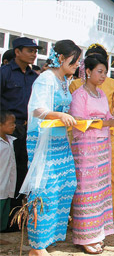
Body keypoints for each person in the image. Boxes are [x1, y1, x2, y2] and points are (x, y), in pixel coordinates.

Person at [22, 40, 81, 255]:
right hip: (43, 142)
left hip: (60, 141)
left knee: (65, 185)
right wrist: (59, 115)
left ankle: (49, 238)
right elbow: (37, 109)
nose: (77, 65)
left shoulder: (64, 80)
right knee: (44, 191)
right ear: (62, 58)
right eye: (75, 60)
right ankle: (37, 246)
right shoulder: (46, 79)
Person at [69, 54, 114, 254]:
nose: (103, 76)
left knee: (100, 191)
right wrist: (108, 123)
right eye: (100, 72)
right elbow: (78, 122)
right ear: (88, 71)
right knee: (86, 191)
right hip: (85, 149)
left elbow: (108, 115)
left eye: (105, 72)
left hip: (102, 146)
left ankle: (96, 233)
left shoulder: (101, 94)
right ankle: (84, 236)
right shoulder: (79, 95)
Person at [0, 37, 41, 232]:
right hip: (9, 129)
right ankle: (5, 220)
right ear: (17, 52)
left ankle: (16, 218)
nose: (34, 54)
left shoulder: (35, 77)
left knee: (24, 171)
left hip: (30, 128)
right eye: (30, 50)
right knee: (8, 172)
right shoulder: (5, 74)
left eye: (35, 51)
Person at [0, 110, 16, 233]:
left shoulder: (11, 140)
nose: (14, 126)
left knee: (4, 213)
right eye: (11, 123)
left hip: (7, 185)